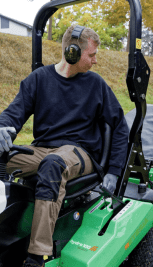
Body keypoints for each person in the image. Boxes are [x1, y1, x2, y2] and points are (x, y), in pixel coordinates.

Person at [0, 25, 129, 267]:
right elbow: (12, 114)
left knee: (53, 164)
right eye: (91, 55)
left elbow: (120, 127)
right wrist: (1, 130)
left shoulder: (95, 84)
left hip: (79, 152)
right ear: (72, 52)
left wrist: (114, 170)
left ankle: (38, 256)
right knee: (3, 156)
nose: (95, 60)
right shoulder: (39, 79)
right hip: (43, 149)